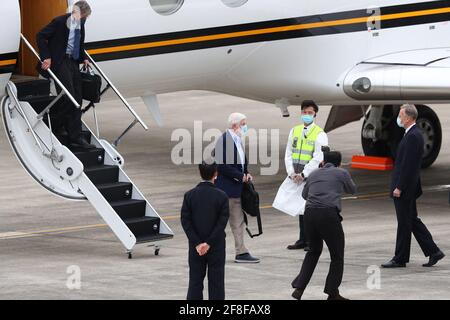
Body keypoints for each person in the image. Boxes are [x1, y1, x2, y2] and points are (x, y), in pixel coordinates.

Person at [382, 104, 445, 269]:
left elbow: (408, 166)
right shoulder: (411, 134)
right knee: (411, 220)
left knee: (404, 223)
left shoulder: (413, 136)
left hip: (405, 188)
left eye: (401, 115)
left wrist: (399, 187)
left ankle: (400, 258)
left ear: (409, 117)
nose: (399, 118)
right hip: (409, 187)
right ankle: (434, 251)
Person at [291, 151, 356, 300]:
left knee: (313, 251)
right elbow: (352, 189)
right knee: (337, 255)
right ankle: (332, 292)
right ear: (339, 163)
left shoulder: (313, 173)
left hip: (309, 214)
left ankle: (299, 288)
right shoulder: (342, 172)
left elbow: (304, 195)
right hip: (328, 215)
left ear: (323, 162)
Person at [36, 1, 95, 149]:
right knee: (69, 97)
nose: (84, 19)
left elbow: (79, 43)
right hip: (59, 61)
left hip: (73, 62)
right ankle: (55, 123)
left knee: (78, 99)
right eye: (83, 16)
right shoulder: (60, 21)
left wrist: (84, 58)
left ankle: (75, 137)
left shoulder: (81, 24)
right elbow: (40, 36)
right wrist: (46, 57)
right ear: (77, 12)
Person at [273, 100, 329, 251]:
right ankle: (303, 239)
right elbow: (288, 154)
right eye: (304, 112)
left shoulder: (320, 134)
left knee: (309, 210)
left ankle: (312, 241)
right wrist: (291, 173)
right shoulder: (295, 131)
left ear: (315, 114)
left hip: (310, 177)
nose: (307, 115)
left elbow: (318, 157)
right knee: (300, 209)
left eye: (310, 113)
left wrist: (304, 174)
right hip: (296, 176)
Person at [181, 161, 230, 300]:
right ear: (216, 174)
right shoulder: (222, 196)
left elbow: (186, 221)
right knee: (216, 283)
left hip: (195, 247)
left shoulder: (189, 195)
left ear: (200, 173)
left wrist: (197, 243)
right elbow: (221, 223)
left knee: (195, 281)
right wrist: (208, 243)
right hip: (216, 246)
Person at [215, 113, 260, 263]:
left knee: (237, 221)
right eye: (243, 124)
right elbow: (221, 165)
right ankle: (232, 251)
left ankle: (240, 251)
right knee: (227, 222)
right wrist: (239, 176)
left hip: (235, 188)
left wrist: (246, 173)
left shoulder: (236, 139)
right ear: (235, 125)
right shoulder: (224, 141)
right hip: (227, 189)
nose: (245, 127)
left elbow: (241, 163)